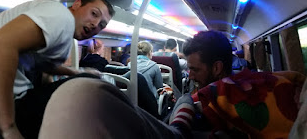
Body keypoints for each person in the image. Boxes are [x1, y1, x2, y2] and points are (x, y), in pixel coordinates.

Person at [38, 30, 305, 139]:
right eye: (188, 67)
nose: (190, 74)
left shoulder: (226, 90)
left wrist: (181, 108)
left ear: (217, 68)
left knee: (83, 95)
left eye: (195, 69)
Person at [0, 0, 115, 138]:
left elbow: (39, 63)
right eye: (94, 14)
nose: (95, 24)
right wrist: (8, 128)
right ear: (77, 4)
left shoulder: (58, 28)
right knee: (90, 88)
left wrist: (75, 72)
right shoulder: (61, 16)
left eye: (101, 25)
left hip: (1, 104)